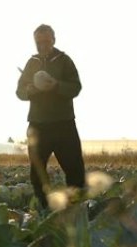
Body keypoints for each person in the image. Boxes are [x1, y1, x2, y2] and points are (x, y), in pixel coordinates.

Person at [16, 24, 86, 210]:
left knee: (75, 170)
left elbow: (76, 87)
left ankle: (75, 210)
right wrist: (30, 90)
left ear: (53, 40)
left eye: (46, 41)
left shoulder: (64, 61)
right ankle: (45, 208)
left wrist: (56, 85)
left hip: (64, 124)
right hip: (38, 126)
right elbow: (19, 91)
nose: (42, 45)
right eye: (38, 42)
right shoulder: (32, 63)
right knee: (37, 172)